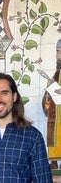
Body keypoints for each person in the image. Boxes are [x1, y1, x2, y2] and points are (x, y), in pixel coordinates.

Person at [42, 38, 61, 169]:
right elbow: (48, 101)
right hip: (56, 116)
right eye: (57, 52)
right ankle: (54, 163)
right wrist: (50, 88)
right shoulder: (57, 73)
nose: (58, 55)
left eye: (60, 52)